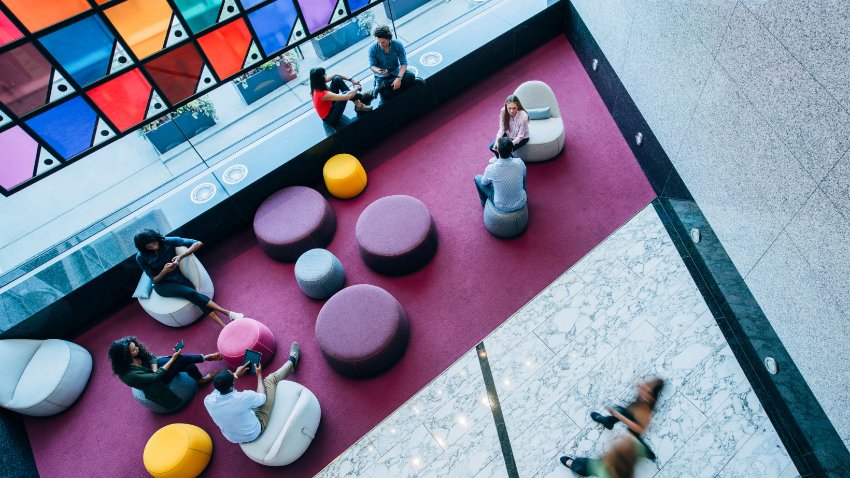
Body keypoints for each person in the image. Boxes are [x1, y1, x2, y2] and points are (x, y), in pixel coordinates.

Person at [134, 229, 244, 327]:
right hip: (162, 285)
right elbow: (154, 280)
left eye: (154, 242)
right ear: (144, 248)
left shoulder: (167, 241)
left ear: (156, 238)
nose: (154, 246)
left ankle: (224, 326)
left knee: (196, 296)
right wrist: (164, 271)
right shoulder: (140, 257)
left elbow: (197, 243)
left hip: (178, 278)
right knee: (191, 293)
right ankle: (229, 313)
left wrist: (180, 257)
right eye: (149, 246)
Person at [204, 342, 302, 444]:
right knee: (270, 380)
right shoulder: (243, 397)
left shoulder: (208, 400)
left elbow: (224, 386)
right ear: (232, 383)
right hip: (254, 432)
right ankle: (292, 363)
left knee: (242, 408)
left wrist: (235, 375)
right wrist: (259, 375)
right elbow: (262, 398)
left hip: (233, 438)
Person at [108, 336, 221, 410]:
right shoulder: (129, 376)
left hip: (154, 369)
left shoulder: (137, 353)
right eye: (133, 349)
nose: (137, 348)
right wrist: (173, 359)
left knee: (188, 364)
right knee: (182, 360)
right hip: (156, 383)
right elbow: (155, 377)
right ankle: (206, 358)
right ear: (126, 356)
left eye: (135, 346)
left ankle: (200, 377)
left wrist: (154, 368)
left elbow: (150, 356)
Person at [588, 377, 665, 461]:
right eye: (645, 385)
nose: (643, 388)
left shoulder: (647, 411)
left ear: (651, 396)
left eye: (647, 389)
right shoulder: (644, 396)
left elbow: (640, 429)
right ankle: (608, 421)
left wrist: (619, 416)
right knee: (621, 411)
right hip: (630, 413)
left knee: (638, 443)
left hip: (635, 427)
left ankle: (647, 452)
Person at [559, 434, 651, 477]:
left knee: (585, 466)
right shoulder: (633, 445)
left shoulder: (604, 472)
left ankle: (575, 465)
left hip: (599, 468)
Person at [474, 137, 527, 212]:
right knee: (522, 174)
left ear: (497, 150)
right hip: (521, 201)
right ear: (512, 150)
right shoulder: (519, 162)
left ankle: (484, 203)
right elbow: (524, 176)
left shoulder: (491, 169)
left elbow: (484, 183)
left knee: (477, 178)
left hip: (502, 206)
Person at [368, 25, 417, 103]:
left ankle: (384, 85)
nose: (381, 44)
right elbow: (372, 66)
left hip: (396, 72)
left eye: (383, 42)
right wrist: (378, 70)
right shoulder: (372, 49)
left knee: (410, 76)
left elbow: (404, 64)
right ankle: (386, 86)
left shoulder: (397, 44)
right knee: (385, 97)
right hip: (382, 76)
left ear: (389, 38)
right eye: (378, 42)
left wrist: (399, 78)